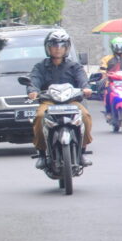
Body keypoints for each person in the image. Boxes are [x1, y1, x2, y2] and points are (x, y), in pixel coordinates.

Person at [26, 30, 93, 169]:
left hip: (71, 101)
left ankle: (81, 152)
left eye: (62, 45)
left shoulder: (75, 66)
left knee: (85, 116)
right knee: (39, 117)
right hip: (48, 102)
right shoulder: (40, 67)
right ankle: (42, 154)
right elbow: (34, 81)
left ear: (66, 48)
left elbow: (82, 80)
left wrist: (86, 88)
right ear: (48, 47)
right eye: (54, 45)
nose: (58, 48)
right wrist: (32, 91)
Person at [98, 37, 122, 121]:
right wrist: (104, 75)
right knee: (107, 94)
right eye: (117, 46)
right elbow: (103, 69)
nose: (119, 48)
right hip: (112, 82)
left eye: (121, 46)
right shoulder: (106, 58)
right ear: (112, 47)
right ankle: (108, 112)